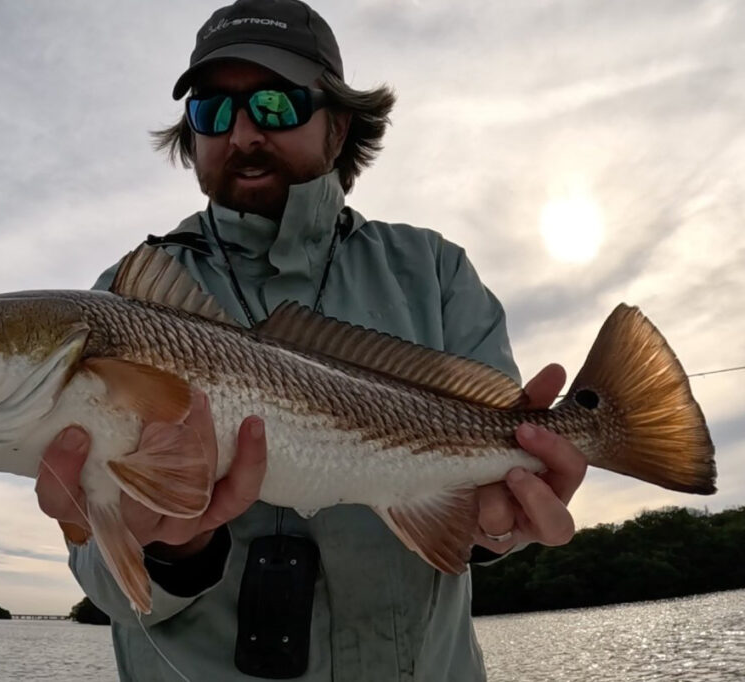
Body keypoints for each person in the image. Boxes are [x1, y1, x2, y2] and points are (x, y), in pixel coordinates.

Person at [35, 1, 588, 679]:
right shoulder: (124, 300)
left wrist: (499, 530)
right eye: (211, 110)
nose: (240, 133)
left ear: (339, 126)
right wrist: (170, 548)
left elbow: (484, 499)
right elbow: (102, 580)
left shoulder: (433, 271)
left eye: (275, 104)